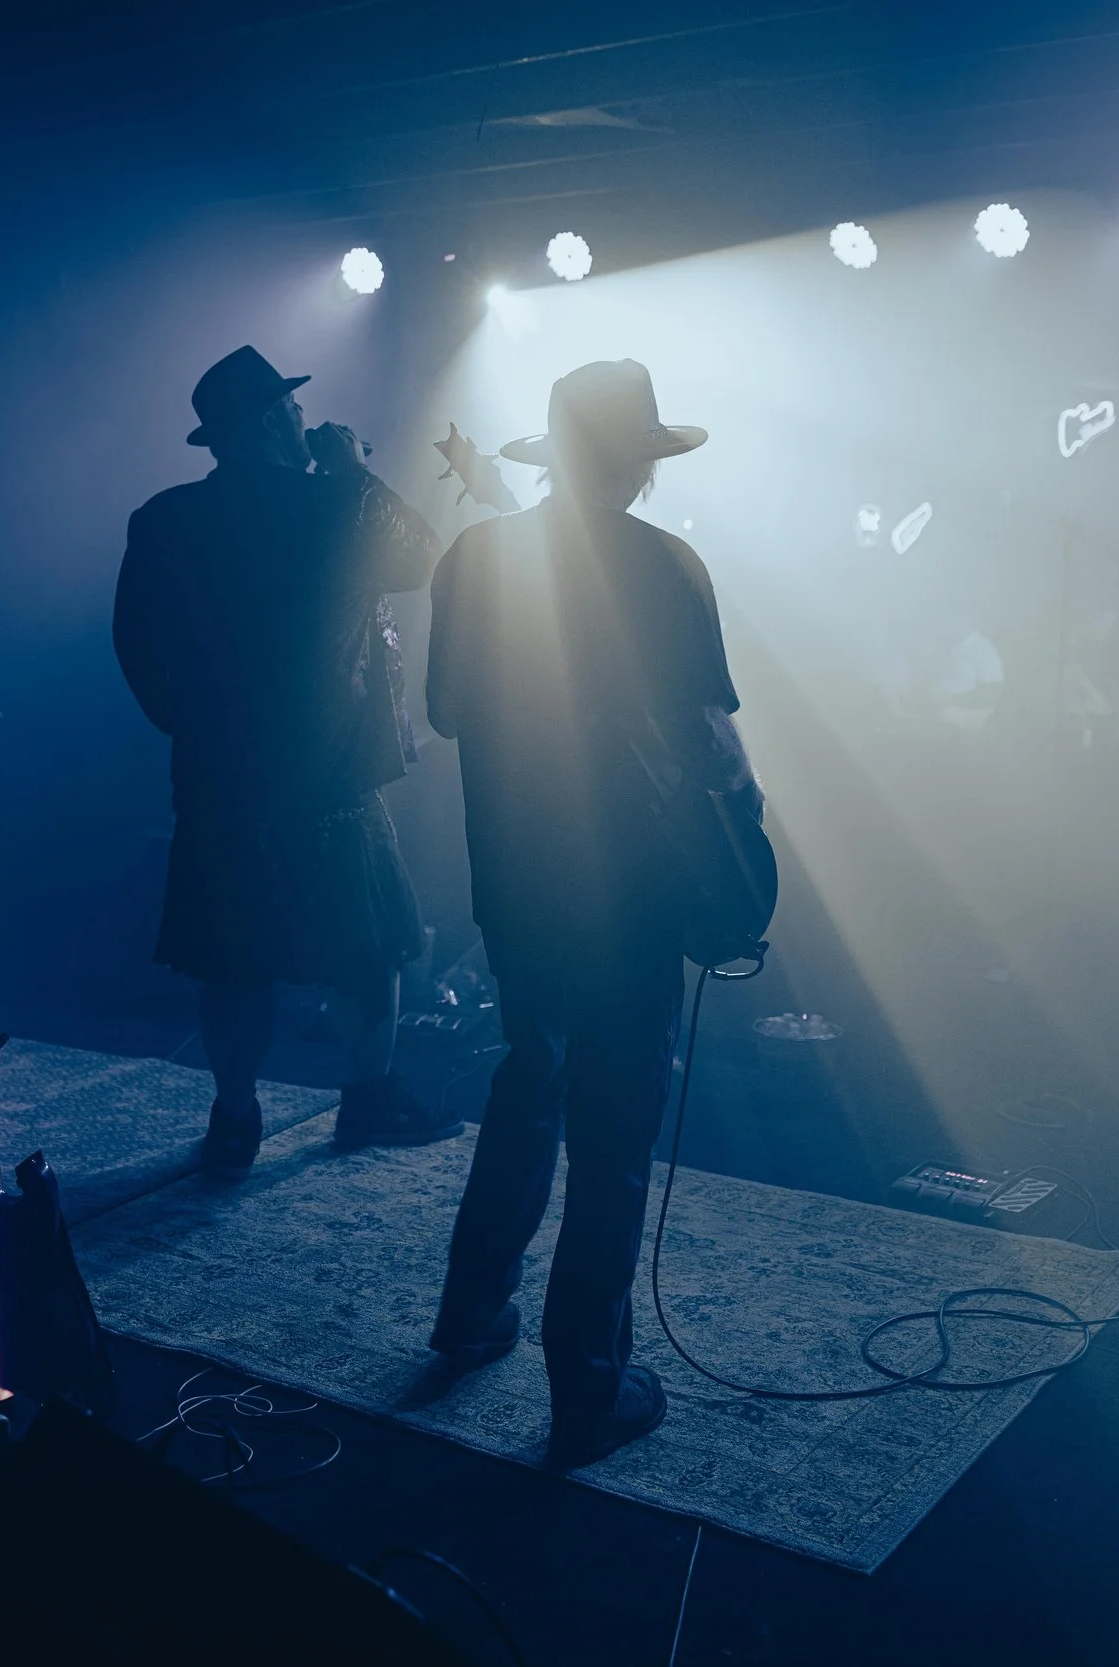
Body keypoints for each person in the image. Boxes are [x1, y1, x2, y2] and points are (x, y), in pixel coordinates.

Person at [421, 360, 762, 1469]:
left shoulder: (476, 554)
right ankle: (588, 1388)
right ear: (639, 462)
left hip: (514, 876)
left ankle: (471, 1318)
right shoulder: (666, 564)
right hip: (628, 890)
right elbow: (710, 744)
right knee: (614, 1131)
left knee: (528, 1079)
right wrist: (745, 871)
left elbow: (443, 709)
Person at [115, 345, 459, 1173]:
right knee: (368, 944)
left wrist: (193, 727)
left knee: (231, 958)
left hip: (219, 779)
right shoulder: (328, 505)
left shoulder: (161, 518)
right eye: (297, 410)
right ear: (274, 419)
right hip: (333, 772)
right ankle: (367, 1098)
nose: (310, 419)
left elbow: (135, 644)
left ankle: (235, 1117)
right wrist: (349, 472)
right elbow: (423, 555)